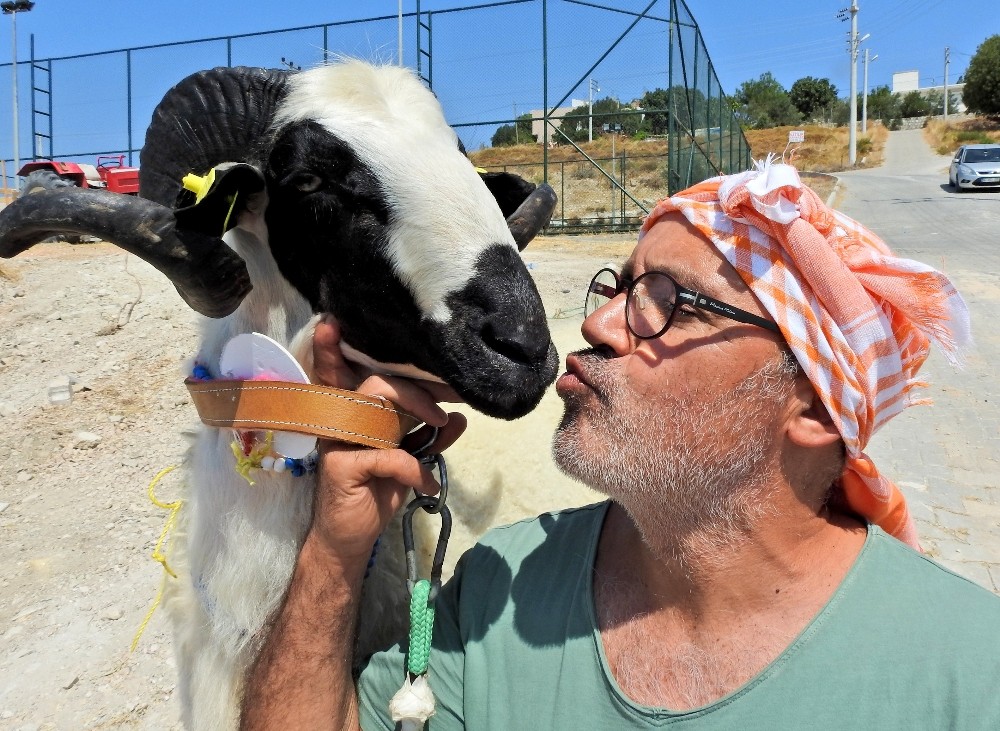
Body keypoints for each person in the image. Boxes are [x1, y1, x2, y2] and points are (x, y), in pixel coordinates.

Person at [241, 162, 1000, 730]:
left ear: (811, 407)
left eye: (666, 304)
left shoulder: (968, 672)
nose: (600, 326)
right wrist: (333, 553)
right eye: (617, 287)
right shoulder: (502, 590)